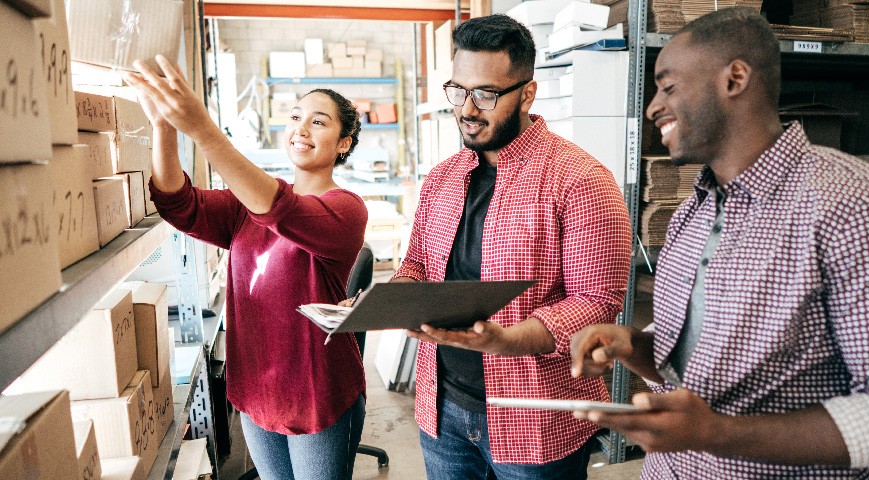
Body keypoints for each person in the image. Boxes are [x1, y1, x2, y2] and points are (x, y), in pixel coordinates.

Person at [569, 8, 869, 479]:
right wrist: (632, 345)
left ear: (735, 78)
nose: (652, 107)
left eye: (667, 87)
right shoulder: (693, 212)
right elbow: (706, 365)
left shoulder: (865, 206)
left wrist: (716, 433)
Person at [390, 14, 632, 479]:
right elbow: (418, 262)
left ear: (527, 93)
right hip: (442, 409)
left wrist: (507, 340)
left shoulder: (581, 180)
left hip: (534, 417)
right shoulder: (442, 178)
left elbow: (597, 302)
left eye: (485, 94)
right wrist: (394, 296)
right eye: (458, 90)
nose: (466, 108)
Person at [124, 56, 368, 480]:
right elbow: (177, 205)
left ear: (343, 143)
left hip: (315, 395)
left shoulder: (345, 209)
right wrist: (163, 126)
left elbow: (279, 210)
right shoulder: (245, 204)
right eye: (296, 117)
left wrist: (203, 129)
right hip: (256, 388)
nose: (302, 128)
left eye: (319, 122)